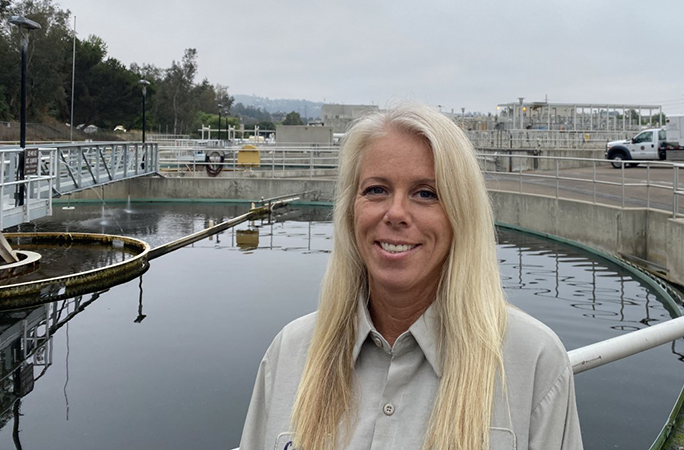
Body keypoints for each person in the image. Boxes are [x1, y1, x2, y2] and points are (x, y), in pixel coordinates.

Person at [240, 104, 582, 450]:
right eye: (376, 190)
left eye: (425, 193)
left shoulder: (534, 363)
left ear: (461, 215)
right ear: (349, 210)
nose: (396, 213)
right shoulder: (290, 353)